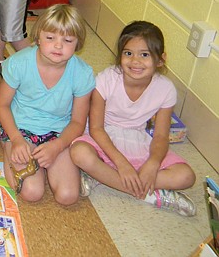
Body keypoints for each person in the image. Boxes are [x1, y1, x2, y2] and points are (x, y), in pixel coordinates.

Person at [70, 21, 196, 216]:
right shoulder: (106, 79)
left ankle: (104, 177)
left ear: (161, 60)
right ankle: (151, 195)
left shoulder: (166, 89)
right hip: (103, 136)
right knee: (79, 153)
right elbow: (96, 128)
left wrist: (153, 164)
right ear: (120, 55)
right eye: (128, 53)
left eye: (144, 55)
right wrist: (122, 164)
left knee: (186, 177)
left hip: (136, 138)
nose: (135, 61)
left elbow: (161, 136)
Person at [0, 4, 93, 205]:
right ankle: (8, 146)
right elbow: (2, 105)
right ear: (38, 37)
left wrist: (57, 146)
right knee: (32, 192)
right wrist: (16, 139)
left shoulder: (83, 73)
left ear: (77, 44)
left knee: (68, 196)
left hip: (58, 134)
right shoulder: (19, 62)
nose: (58, 46)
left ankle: (47, 162)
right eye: (50, 38)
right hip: (20, 129)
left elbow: (77, 122)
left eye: (67, 40)